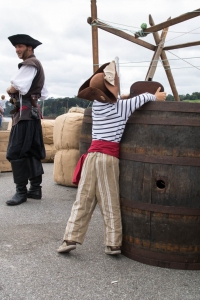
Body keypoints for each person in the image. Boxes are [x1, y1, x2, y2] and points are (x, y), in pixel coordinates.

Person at [57, 61, 166, 255]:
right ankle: (113, 243)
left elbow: (117, 99)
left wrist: (121, 95)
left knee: (83, 198)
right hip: (108, 158)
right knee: (109, 199)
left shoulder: (98, 106)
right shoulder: (122, 107)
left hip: (91, 156)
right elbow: (146, 98)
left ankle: (69, 238)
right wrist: (156, 96)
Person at [6, 34, 48, 206]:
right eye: (16, 47)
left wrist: (10, 88)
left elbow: (18, 86)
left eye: (20, 46)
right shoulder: (37, 65)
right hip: (31, 115)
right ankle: (35, 189)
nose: (17, 50)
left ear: (29, 48)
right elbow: (43, 93)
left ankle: (21, 192)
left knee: (15, 152)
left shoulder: (30, 64)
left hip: (25, 116)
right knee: (31, 150)